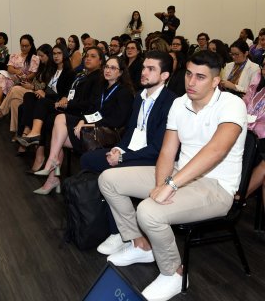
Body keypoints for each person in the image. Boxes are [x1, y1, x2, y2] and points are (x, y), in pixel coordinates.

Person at [99, 50, 247, 301]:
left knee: (148, 211)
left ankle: (175, 273)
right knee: (108, 179)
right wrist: (161, 184)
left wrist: (170, 185)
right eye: (189, 74)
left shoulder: (232, 104)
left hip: (216, 187)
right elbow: (167, 151)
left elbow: (216, 150)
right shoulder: (180, 103)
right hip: (180, 173)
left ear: (215, 81)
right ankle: (140, 244)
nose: (191, 82)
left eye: (200, 77)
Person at [80, 51, 176, 244]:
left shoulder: (171, 102)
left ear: (164, 75)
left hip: (153, 158)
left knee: (110, 172)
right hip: (131, 151)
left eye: (151, 69)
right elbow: (130, 132)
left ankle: (119, 234)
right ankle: (107, 223)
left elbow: (159, 148)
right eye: (143, 68)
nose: (144, 72)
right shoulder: (140, 96)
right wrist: (119, 149)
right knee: (88, 159)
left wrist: (123, 158)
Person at [34, 54, 134, 195]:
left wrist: (90, 124)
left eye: (113, 68)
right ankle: (53, 161)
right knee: (60, 119)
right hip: (93, 127)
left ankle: (52, 174)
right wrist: (83, 120)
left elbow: (118, 120)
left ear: (121, 72)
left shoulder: (124, 93)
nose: (108, 70)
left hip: (107, 133)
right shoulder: (103, 87)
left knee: (58, 137)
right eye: (106, 67)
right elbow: (92, 110)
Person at [16, 43, 75, 166]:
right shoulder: (52, 69)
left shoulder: (69, 72)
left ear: (65, 54)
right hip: (47, 99)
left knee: (37, 106)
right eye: (54, 54)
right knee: (28, 96)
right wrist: (41, 91)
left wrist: (45, 94)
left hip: (57, 103)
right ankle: (27, 131)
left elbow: (64, 95)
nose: (56, 56)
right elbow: (46, 86)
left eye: (59, 53)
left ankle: (33, 137)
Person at [0, 44, 54, 138]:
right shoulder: (42, 66)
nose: (40, 58)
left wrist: (32, 87)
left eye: (42, 56)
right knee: (14, 102)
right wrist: (27, 83)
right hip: (32, 89)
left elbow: (44, 86)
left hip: (38, 93)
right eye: (39, 56)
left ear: (49, 55)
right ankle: (18, 132)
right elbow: (35, 81)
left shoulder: (51, 68)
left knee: (15, 89)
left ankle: (0, 112)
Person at [0, 34, 39, 112]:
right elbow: (9, 68)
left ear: (31, 45)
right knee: (1, 77)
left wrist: (25, 77)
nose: (24, 48)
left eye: (26, 46)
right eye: (22, 46)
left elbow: (33, 74)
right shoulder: (15, 55)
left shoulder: (34, 58)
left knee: (3, 80)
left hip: (25, 81)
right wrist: (17, 71)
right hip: (14, 78)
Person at [244, 62, 265, 211]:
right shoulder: (258, 85)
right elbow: (245, 103)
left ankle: (238, 198)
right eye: (264, 66)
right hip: (253, 134)